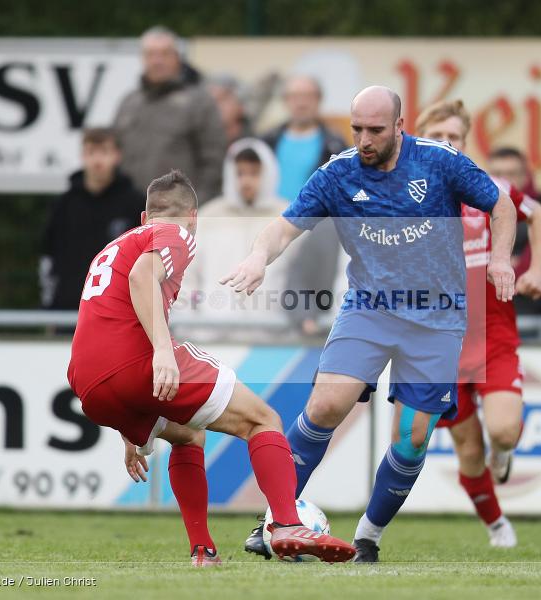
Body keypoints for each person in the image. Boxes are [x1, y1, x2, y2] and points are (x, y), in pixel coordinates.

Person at [224, 86, 518, 562]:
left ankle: (368, 538)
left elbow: (501, 205)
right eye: (357, 128)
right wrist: (259, 256)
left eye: (375, 130)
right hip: (369, 308)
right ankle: (277, 521)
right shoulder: (337, 174)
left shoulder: (440, 162)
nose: (364, 139)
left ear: (400, 127)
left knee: (412, 438)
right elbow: (284, 226)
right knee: (324, 405)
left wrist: (501, 260)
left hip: (437, 318)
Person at [67, 170, 355, 566]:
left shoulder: (112, 247)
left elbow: (105, 321)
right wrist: (163, 352)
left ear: (142, 216)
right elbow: (141, 277)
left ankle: (203, 550)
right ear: (194, 217)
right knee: (262, 419)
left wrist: (126, 423)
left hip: (89, 386)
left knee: (188, 436)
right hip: (137, 364)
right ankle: (287, 524)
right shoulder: (175, 233)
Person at [415, 100, 541, 548]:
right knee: (469, 453)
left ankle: (507, 452)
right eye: (438, 137)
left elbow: (540, 216)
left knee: (502, 431)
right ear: (420, 141)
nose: (447, 145)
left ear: (466, 142)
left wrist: (538, 271)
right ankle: (497, 525)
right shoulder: (408, 201)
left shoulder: (489, 188)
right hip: (445, 347)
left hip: (493, 336)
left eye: (455, 137)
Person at [262, 75, 347, 335]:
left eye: (307, 96)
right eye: (295, 97)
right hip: (275, 227)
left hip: (314, 230)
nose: (301, 103)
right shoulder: (267, 141)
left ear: (318, 101)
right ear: (286, 101)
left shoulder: (336, 144)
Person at [184, 138, 290, 324]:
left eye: (254, 173)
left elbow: (299, 274)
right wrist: (189, 318)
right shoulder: (209, 217)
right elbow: (187, 274)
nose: (246, 181)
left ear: (268, 173)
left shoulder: (287, 218)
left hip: (272, 331)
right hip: (214, 330)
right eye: (240, 173)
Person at [113, 26, 226, 200]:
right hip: (132, 213)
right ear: (143, 59)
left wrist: (196, 206)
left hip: (178, 212)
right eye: (151, 54)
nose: (157, 61)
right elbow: (114, 157)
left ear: (177, 58)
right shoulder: (129, 103)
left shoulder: (200, 102)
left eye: (165, 54)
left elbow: (214, 163)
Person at [40, 128, 142, 310]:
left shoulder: (135, 203)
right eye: (91, 152)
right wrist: (50, 305)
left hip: (119, 310)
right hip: (69, 309)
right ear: (82, 156)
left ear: (117, 156)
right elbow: (49, 258)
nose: (97, 160)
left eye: (104, 152)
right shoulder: (63, 204)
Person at [488, 147, 541, 315]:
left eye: (511, 173)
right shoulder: (476, 210)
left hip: (527, 311)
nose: (504, 180)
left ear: (525, 176)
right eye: (497, 174)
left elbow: (525, 272)